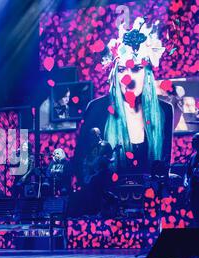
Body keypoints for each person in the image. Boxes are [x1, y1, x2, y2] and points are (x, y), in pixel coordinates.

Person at [75, 17, 173, 181]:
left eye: (136, 69)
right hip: (106, 200)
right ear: (115, 75)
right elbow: (82, 168)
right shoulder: (97, 109)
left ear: (147, 74)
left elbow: (163, 167)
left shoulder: (164, 111)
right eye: (121, 70)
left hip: (148, 201)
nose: (128, 79)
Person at [184, 133, 199, 227]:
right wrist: (185, 180)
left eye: (196, 141)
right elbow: (188, 172)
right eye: (193, 141)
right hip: (194, 192)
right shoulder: (193, 157)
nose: (193, 143)